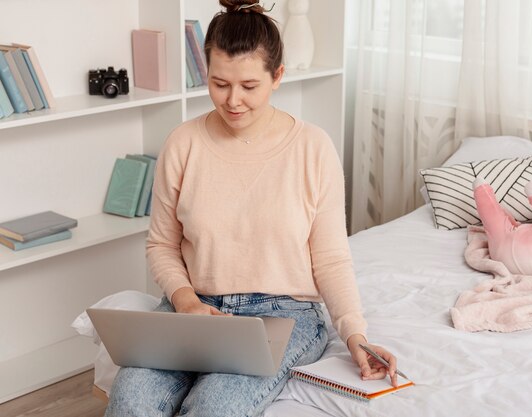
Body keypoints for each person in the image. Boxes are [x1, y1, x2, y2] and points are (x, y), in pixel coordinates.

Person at [104, 1, 398, 416]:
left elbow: (331, 258)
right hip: (194, 306)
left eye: (248, 86)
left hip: (283, 313)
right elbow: (162, 245)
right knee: (130, 402)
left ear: (277, 76)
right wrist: (185, 300)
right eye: (219, 83)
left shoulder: (313, 148)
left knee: (212, 408)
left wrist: (355, 334)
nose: (232, 100)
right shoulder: (182, 143)